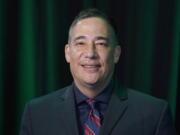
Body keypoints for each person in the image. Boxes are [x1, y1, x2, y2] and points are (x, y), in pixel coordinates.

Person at [20, 8, 177, 135]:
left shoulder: (154, 114)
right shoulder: (36, 113)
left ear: (116, 53)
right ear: (68, 53)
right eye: (81, 43)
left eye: (101, 43)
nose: (90, 53)